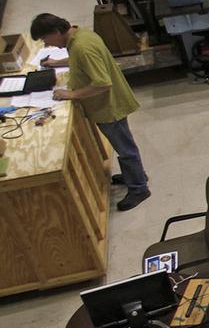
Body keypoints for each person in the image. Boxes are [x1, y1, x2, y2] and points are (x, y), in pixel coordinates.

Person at [31, 13, 150, 211]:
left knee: (125, 149)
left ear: (56, 32)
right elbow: (80, 61)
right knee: (124, 146)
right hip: (106, 105)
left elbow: (103, 84)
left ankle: (139, 188)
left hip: (109, 107)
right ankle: (134, 175)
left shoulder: (82, 47)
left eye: (46, 39)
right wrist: (56, 63)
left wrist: (71, 94)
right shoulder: (80, 35)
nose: (46, 44)